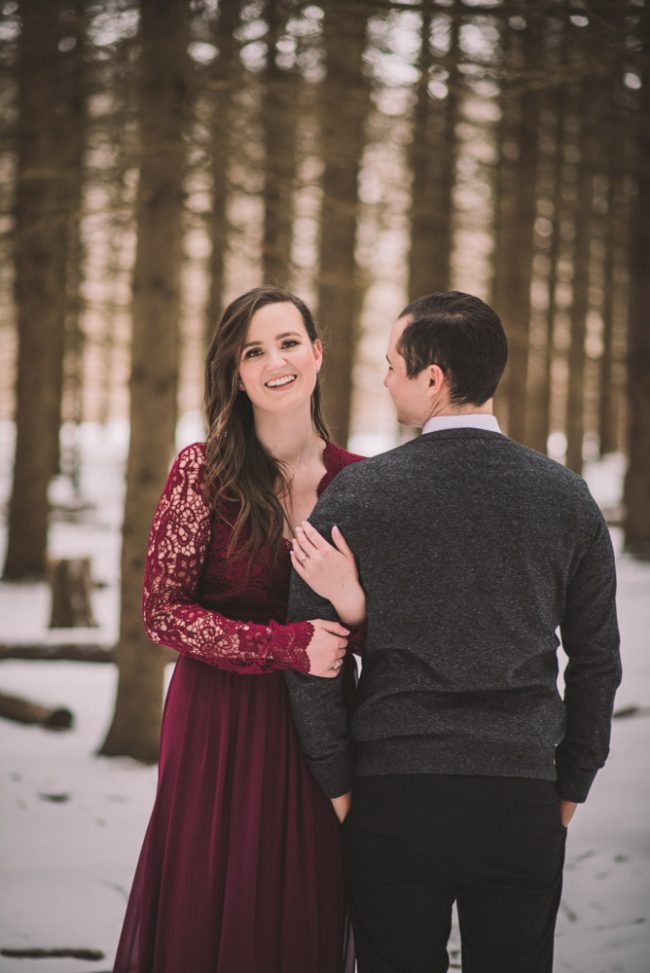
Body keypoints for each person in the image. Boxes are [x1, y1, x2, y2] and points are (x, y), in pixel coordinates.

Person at [286, 291, 622, 973]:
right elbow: (597, 661)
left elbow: (311, 652)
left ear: (432, 377)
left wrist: (338, 781)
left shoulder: (358, 495)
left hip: (393, 796)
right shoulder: (566, 497)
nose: (385, 378)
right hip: (521, 795)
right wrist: (570, 784)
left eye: (392, 365)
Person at [113, 286, 363, 973]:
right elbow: (161, 610)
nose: (274, 362)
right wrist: (285, 645)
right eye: (253, 351)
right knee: (210, 899)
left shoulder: (361, 483)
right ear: (235, 372)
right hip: (216, 722)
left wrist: (355, 612)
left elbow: (392, 626)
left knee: (303, 901)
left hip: (319, 729)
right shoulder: (203, 471)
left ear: (317, 354)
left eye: (288, 343)